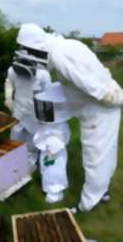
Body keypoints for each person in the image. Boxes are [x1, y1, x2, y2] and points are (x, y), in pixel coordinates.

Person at [16, 23, 122, 212]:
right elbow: (73, 84)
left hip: (100, 109)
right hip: (94, 106)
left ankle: (87, 204)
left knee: (95, 157)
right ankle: (102, 191)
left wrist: (115, 98)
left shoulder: (60, 55)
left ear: (35, 47)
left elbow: (94, 87)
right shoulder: (63, 48)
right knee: (107, 152)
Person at [4, 49, 51, 171]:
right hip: (18, 114)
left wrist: (45, 119)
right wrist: (8, 98)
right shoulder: (12, 71)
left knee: (31, 147)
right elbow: (9, 82)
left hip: (35, 117)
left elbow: (49, 97)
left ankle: (27, 173)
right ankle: (13, 170)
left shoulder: (43, 75)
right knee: (14, 144)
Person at [33, 82, 71, 203]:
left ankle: (54, 193)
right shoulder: (53, 124)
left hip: (54, 152)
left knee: (54, 170)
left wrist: (50, 151)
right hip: (50, 151)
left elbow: (57, 140)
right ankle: (51, 190)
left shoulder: (59, 126)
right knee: (48, 169)